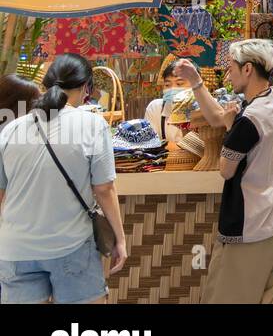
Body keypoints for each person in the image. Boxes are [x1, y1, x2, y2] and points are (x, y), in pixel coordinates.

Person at [174, 39, 273, 303]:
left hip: (250, 226)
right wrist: (196, 81)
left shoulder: (250, 120)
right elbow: (219, 116)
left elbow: (226, 170)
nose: (229, 73)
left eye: (231, 67)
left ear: (248, 69)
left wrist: (230, 128)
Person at [0, 54, 127, 303]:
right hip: (71, 247)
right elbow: (104, 189)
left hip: (16, 250)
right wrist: (120, 240)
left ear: (46, 85)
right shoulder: (92, 124)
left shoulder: (12, 129)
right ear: (86, 87)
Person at [144, 58, 188, 145]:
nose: (172, 89)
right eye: (167, 85)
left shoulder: (206, 111)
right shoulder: (155, 108)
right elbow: (149, 145)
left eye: (179, 84)